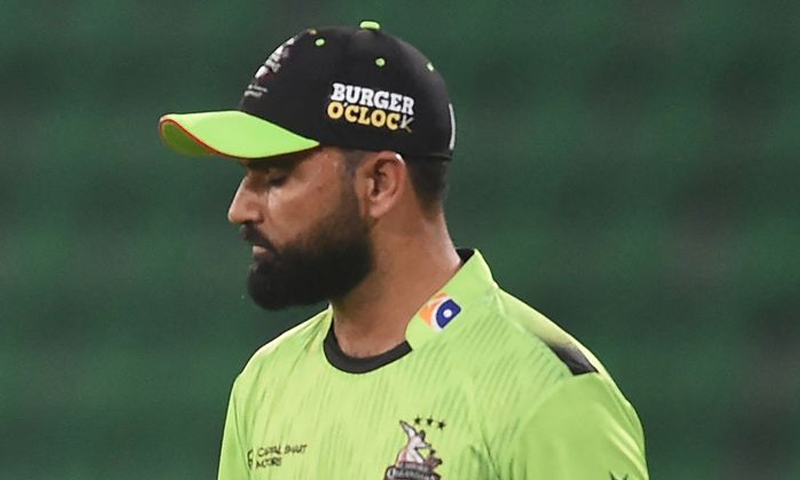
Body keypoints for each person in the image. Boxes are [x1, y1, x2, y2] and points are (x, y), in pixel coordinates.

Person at [158, 20, 649, 480]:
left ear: (380, 183)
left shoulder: (549, 394)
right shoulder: (265, 383)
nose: (239, 208)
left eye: (276, 177)